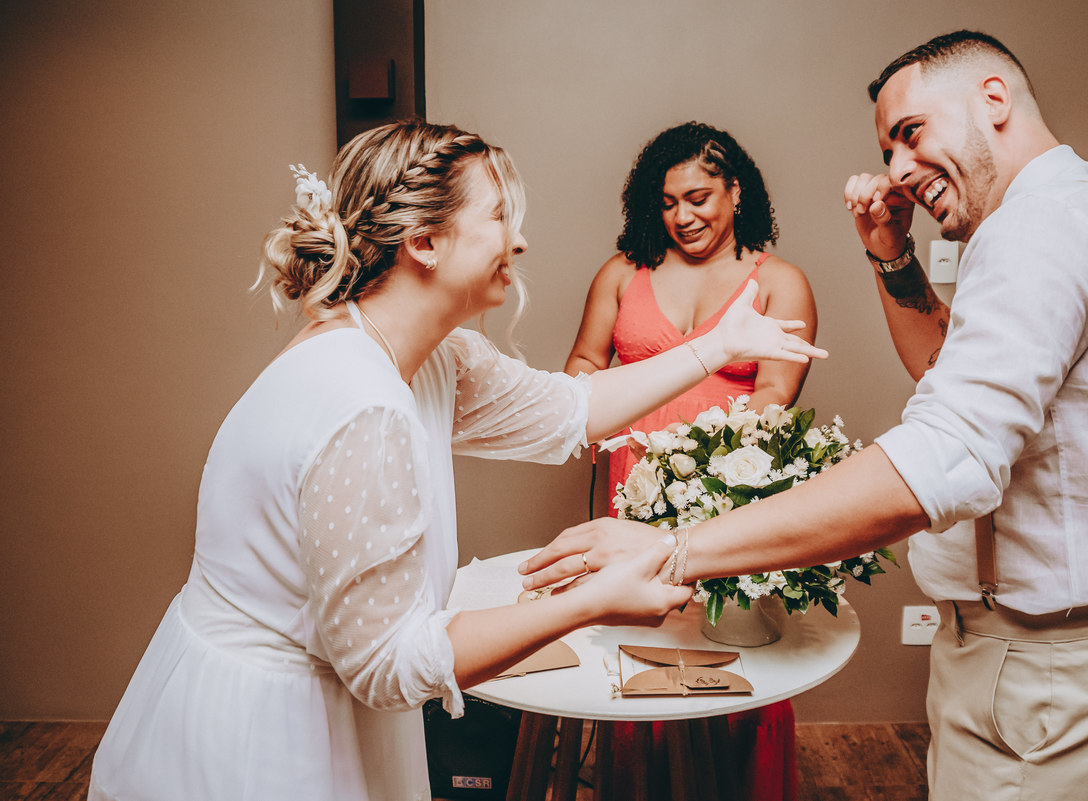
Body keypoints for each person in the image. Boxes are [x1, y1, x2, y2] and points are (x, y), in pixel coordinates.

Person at [521, 31, 1088, 801]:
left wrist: (672, 549)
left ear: (994, 98)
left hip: (1049, 665)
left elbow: (946, 454)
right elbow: (943, 373)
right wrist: (893, 258)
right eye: (888, 151)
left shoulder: (1039, 232)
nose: (898, 171)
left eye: (910, 133)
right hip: (1042, 654)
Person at [87, 120, 825, 801]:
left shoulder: (429, 358)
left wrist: (718, 346)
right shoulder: (360, 402)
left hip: (328, 708)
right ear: (426, 243)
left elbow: (572, 411)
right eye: (501, 215)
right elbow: (388, 666)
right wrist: (592, 601)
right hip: (265, 737)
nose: (520, 241)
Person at [564, 121, 815, 799]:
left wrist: (712, 463)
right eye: (669, 201)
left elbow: (773, 395)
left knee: (730, 647)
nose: (684, 216)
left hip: (727, 498)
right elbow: (584, 362)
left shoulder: (780, 281)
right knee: (640, 642)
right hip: (634, 492)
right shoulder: (622, 275)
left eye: (700, 197)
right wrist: (587, 405)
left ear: (736, 191)